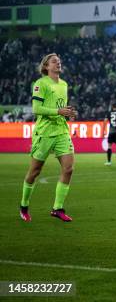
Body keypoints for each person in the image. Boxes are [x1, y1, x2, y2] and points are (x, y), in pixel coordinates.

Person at [19, 53, 77, 223]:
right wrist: (58, 111)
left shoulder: (64, 84)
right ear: (46, 66)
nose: (58, 63)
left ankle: (57, 208)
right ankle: (24, 205)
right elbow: (36, 108)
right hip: (44, 132)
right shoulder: (41, 83)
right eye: (54, 61)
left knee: (68, 169)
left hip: (61, 130)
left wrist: (67, 113)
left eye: (59, 61)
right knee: (34, 172)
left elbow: (59, 107)